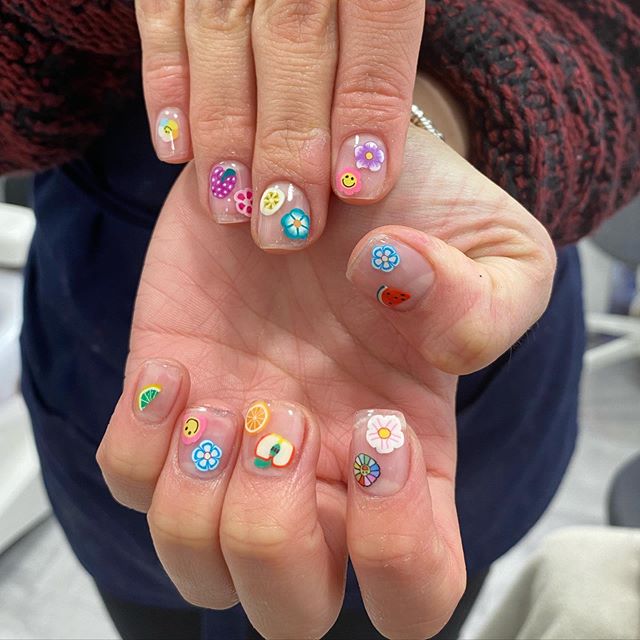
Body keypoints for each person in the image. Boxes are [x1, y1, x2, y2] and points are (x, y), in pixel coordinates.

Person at [0, 1, 638, 638]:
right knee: (161, 591)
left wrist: (436, 116)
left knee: (393, 584)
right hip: (119, 323)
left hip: (444, 344)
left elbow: (622, 41)